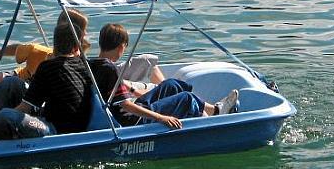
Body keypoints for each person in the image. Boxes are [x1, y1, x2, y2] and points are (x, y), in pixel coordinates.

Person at [89, 23, 239, 130]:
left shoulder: (93, 64)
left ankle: (215, 110)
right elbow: (126, 105)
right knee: (186, 98)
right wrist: (160, 117)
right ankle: (215, 117)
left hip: (130, 111)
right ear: (122, 46)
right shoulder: (110, 69)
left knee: (172, 84)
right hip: (132, 120)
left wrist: (134, 90)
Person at [0, 8, 89, 114]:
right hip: (18, 76)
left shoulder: (76, 64)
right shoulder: (39, 51)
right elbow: (17, 49)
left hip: (29, 91)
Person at [0, 22, 93, 141]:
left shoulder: (47, 66)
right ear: (77, 47)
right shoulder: (85, 65)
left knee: (6, 115)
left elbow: (25, 108)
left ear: (54, 45)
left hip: (57, 129)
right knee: (12, 83)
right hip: (52, 116)